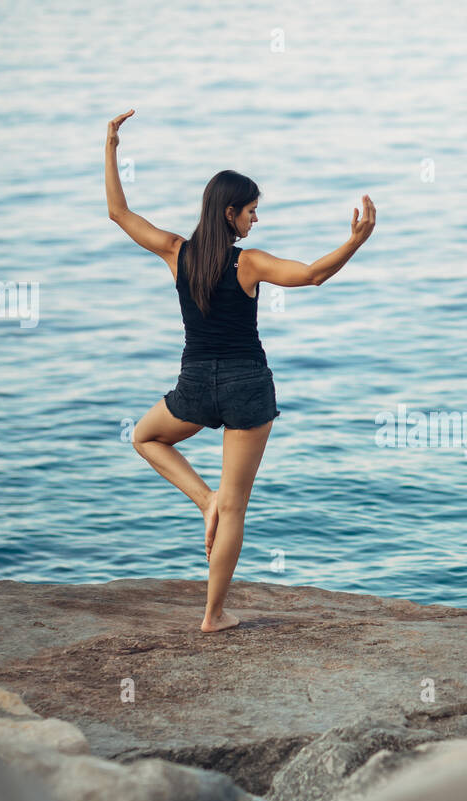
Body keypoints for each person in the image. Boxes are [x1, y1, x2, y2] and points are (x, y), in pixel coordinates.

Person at [103, 109, 376, 632]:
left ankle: (203, 500)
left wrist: (111, 147)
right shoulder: (246, 263)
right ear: (230, 213)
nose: (255, 220)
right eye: (251, 211)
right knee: (235, 506)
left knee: (145, 437)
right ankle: (213, 615)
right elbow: (313, 275)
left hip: (195, 386)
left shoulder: (175, 253)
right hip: (247, 386)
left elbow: (119, 212)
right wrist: (356, 241)